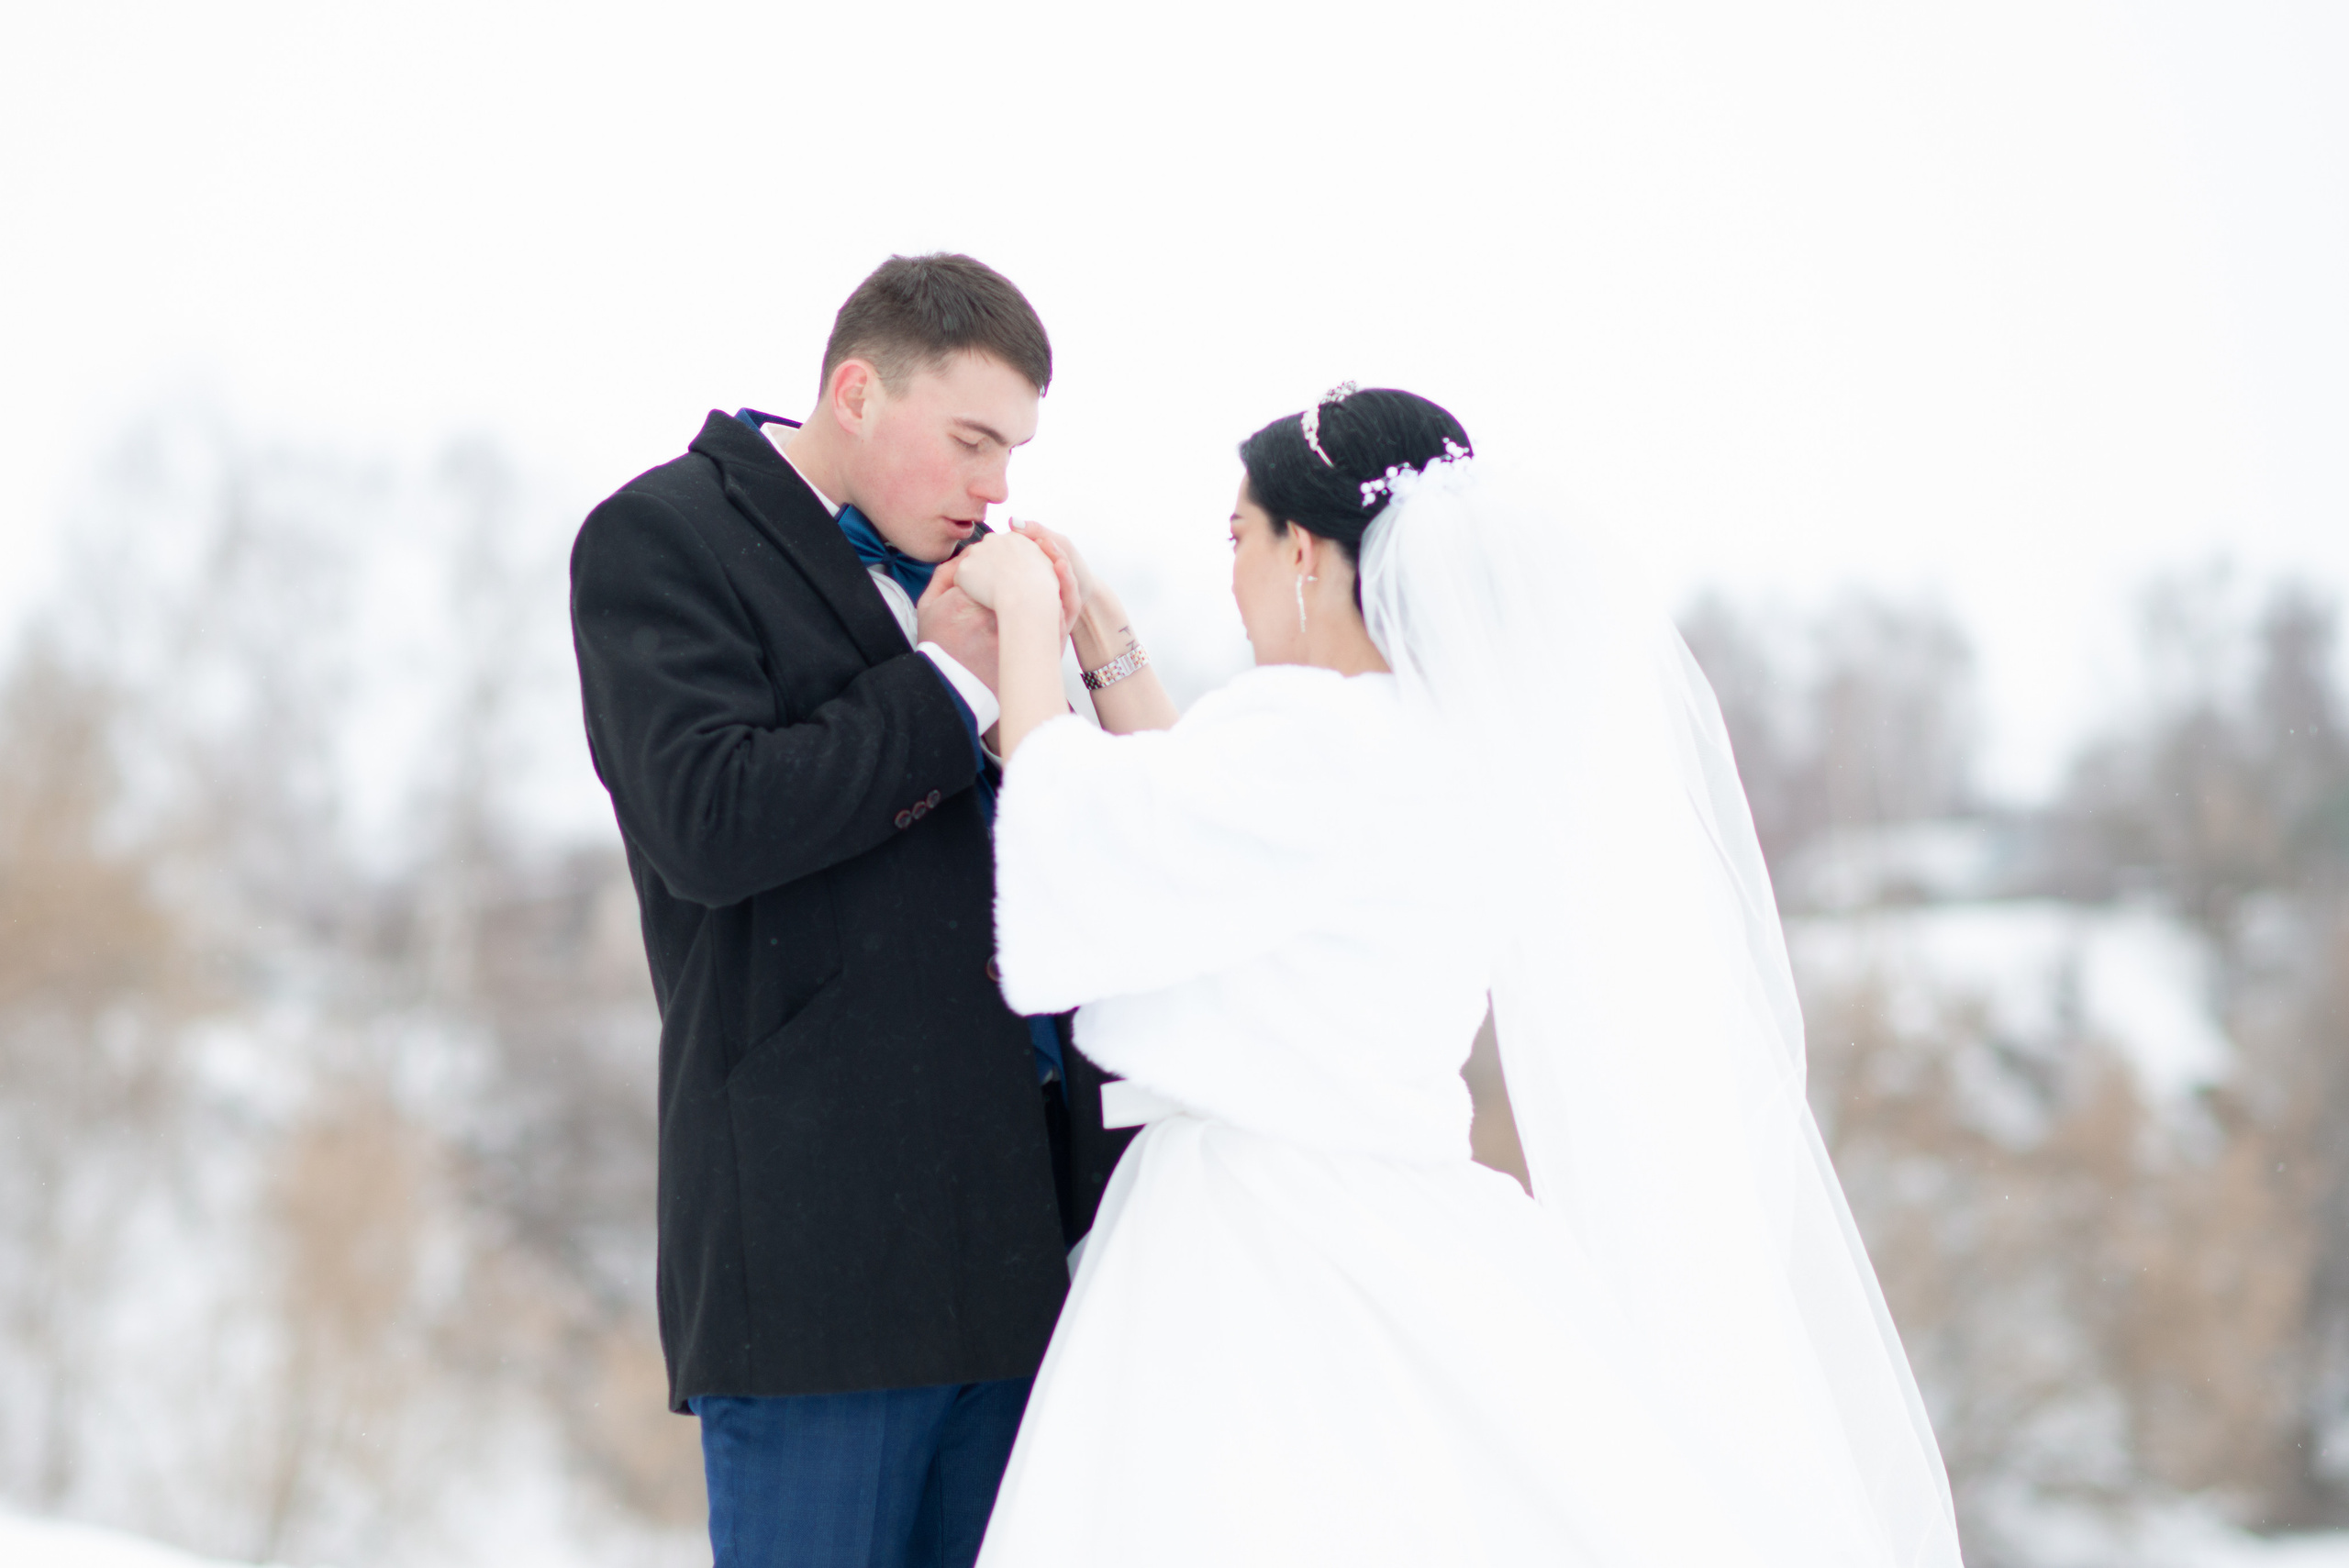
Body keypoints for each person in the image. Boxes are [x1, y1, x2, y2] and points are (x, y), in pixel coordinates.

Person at [947, 387, 1965, 1565]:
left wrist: (1023, 621)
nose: (1230, 573)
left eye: (1241, 537)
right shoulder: (1425, 744)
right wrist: (1104, 642)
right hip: (1404, 1204)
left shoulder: (1317, 746)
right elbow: (1199, 837)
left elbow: (1093, 846)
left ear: (1309, 555)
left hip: (1259, 1235)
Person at [568, 253, 1131, 1568]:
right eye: (972, 440)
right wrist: (946, 684)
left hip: (1024, 1260)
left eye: (1016, 451)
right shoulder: (661, 537)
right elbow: (709, 819)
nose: (998, 486)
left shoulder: (992, 583)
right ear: (859, 391)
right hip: (817, 1271)